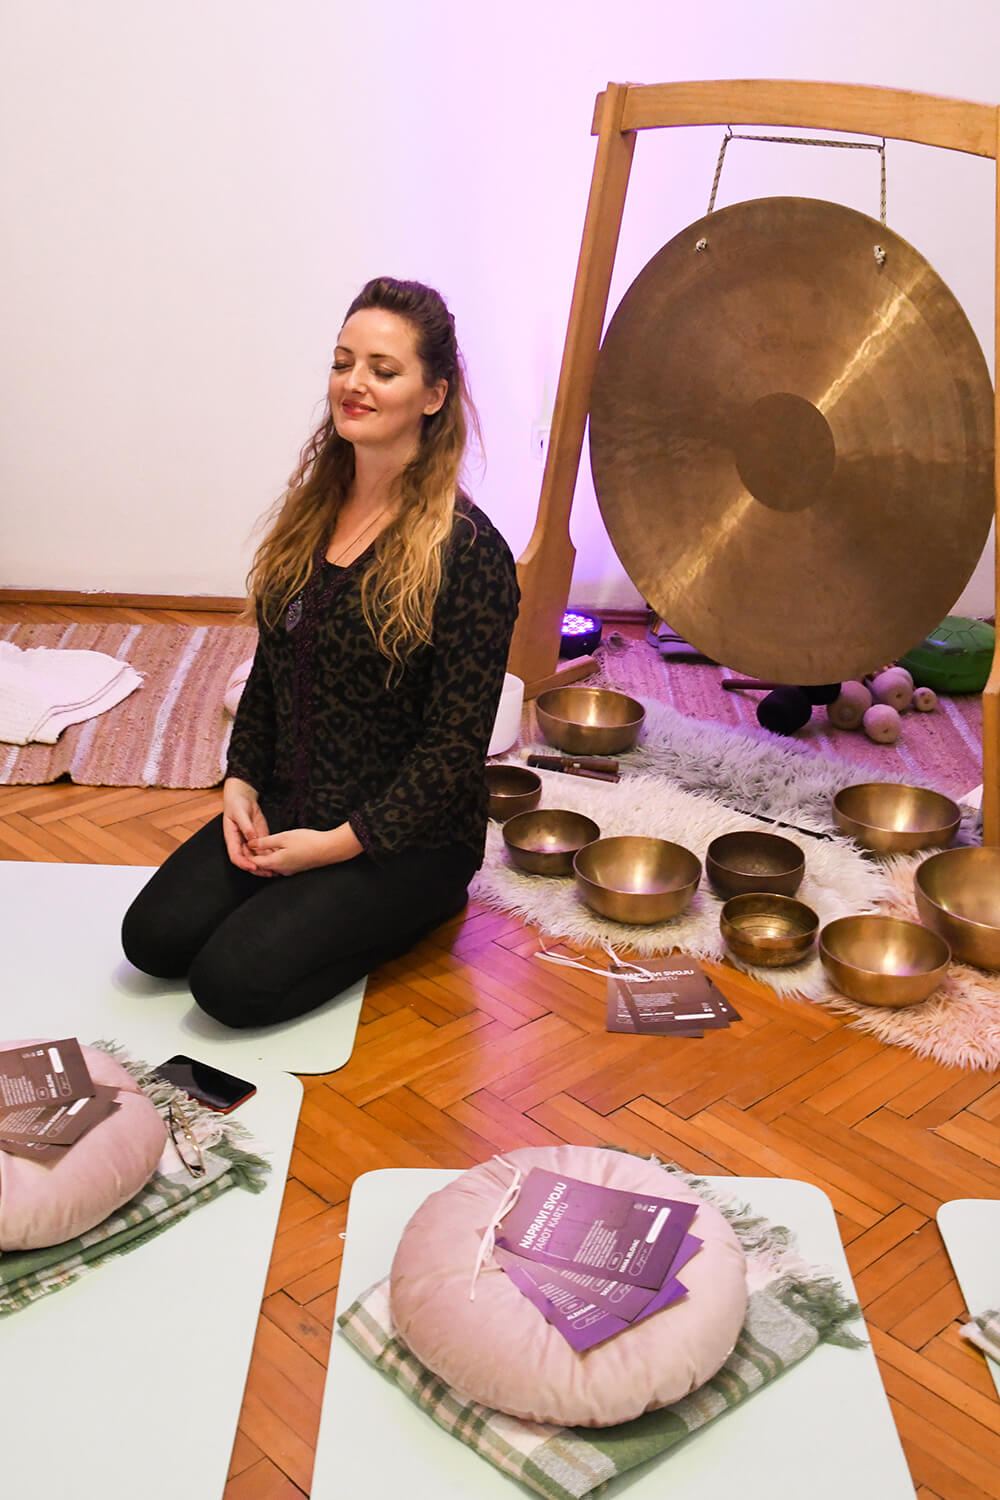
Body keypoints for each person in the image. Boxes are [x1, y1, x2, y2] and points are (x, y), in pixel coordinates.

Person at [122, 276, 520, 1028]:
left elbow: (453, 751)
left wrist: (336, 847)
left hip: (405, 841)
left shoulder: (469, 552)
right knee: (152, 941)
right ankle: (304, 903)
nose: (353, 383)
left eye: (382, 369)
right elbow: (272, 670)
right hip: (292, 801)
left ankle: (417, 912)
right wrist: (241, 779)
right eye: (343, 362)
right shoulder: (315, 510)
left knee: (228, 986)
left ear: (433, 396)